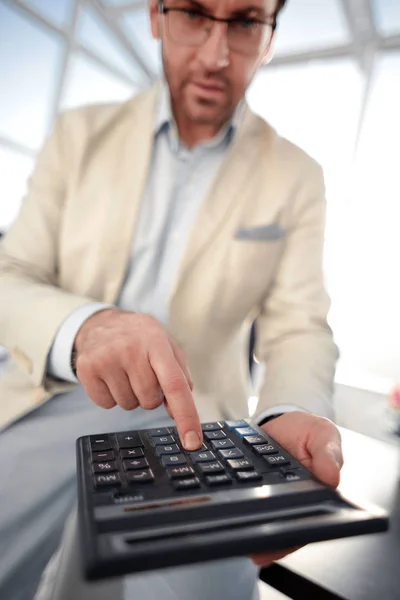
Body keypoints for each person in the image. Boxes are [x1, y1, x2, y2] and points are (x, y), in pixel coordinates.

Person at [0, 0, 343, 598]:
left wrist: (285, 413)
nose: (216, 55)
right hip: (50, 400)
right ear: (156, 16)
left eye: (244, 22)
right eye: (193, 14)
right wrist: (87, 327)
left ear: (269, 36)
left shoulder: (296, 175)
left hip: (200, 434)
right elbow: (10, 272)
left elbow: (299, 327)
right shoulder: (78, 135)